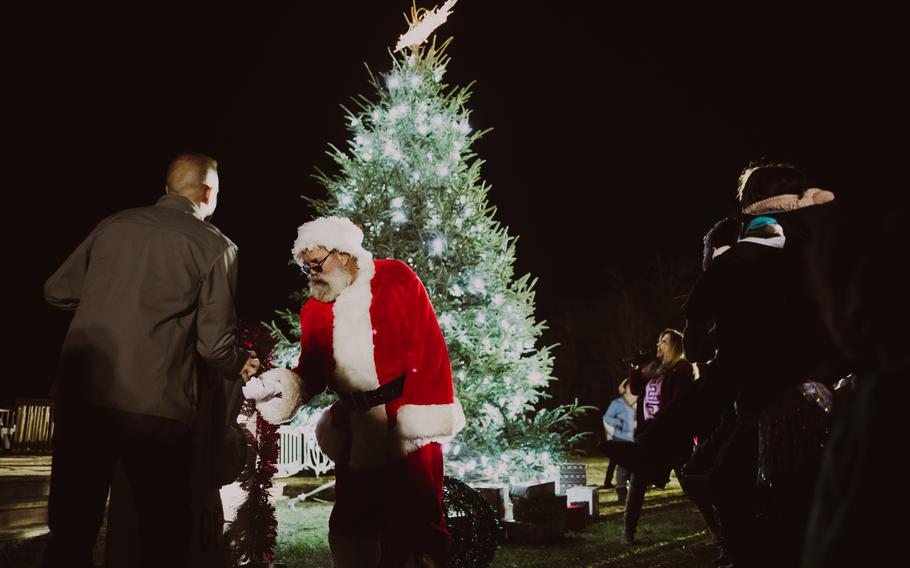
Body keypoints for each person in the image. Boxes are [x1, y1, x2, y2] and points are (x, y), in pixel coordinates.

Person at [42, 153, 259, 568]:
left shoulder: (114, 224)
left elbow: (56, 290)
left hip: (83, 400)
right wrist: (240, 362)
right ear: (209, 193)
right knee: (162, 536)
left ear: (166, 189)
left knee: (71, 532)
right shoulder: (216, 246)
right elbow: (214, 346)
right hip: (156, 409)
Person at [257, 216, 464, 568]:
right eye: (305, 268)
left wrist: (421, 419)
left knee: (417, 521)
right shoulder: (314, 309)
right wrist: (280, 387)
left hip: (407, 423)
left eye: (317, 263)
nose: (312, 274)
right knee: (352, 524)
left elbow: (429, 347)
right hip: (356, 430)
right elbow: (312, 371)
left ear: (343, 253)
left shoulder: (395, 277)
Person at [621, 329, 695, 544]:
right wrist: (634, 369)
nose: (658, 345)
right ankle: (628, 531)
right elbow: (635, 389)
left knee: (690, 483)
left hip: (672, 437)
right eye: (658, 340)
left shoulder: (682, 369)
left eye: (664, 341)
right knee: (637, 482)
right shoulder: (654, 369)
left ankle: (718, 533)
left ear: (675, 346)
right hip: (649, 436)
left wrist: (660, 425)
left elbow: (678, 404)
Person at [602, 379, 637, 504]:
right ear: (624, 388)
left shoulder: (641, 401)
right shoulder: (617, 403)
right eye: (629, 386)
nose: (632, 388)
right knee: (622, 467)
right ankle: (622, 495)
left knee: (635, 467)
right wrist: (619, 423)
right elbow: (607, 418)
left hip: (637, 440)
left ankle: (634, 495)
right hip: (621, 439)